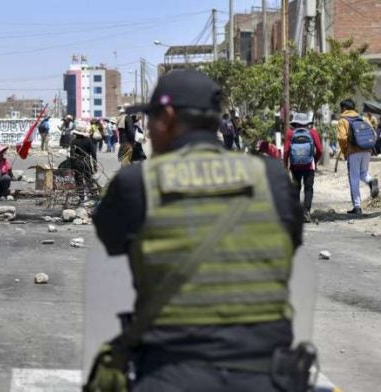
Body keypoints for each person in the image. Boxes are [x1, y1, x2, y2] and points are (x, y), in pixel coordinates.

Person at [90, 70, 306, 392]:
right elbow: (293, 239)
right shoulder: (271, 177)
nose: (148, 130)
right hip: (268, 375)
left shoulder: (137, 184)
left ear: (168, 117)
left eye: (150, 119)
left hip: (171, 372)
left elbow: (110, 239)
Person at [337, 98, 379, 215]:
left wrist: (345, 151)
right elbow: (374, 134)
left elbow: (342, 138)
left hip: (353, 151)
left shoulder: (343, 120)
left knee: (354, 177)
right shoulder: (363, 118)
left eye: (341, 108)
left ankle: (357, 207)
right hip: (367, 149)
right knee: (363, 173)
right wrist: (369, 146)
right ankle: (371, 181)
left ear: (344, 108)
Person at [283, 112, 323, 223]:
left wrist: (285, 164)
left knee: (296, 188)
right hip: (309, 165)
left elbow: (286, 151)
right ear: (307, 123)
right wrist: (315, 159)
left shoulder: (290, 133)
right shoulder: (313, 132)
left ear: (295, 122)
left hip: (295, 166)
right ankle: (306, 212)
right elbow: (320, 149)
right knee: (308, 188)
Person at [69, 124, 97, 200]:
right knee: (89, 180)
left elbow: (71, 155)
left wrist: (72, 167)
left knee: (79, 181)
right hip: (87, 163)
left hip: (77, 164)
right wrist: (95, 165)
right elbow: (93, 154)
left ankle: (81, 198)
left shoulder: (73, 141)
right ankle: (93, 196)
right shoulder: (89, 141)